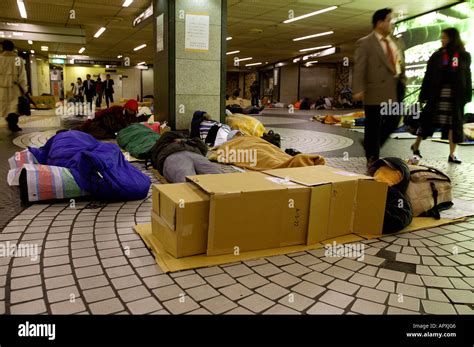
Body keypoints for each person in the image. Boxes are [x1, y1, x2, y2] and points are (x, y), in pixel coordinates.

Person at [353, 8, 406, 170]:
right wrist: (358, 88)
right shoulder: (366, 43)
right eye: (389, 20)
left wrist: (403, 79)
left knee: (394, 120)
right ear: (379, 23)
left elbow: (400, 63)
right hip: (375, 89)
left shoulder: (395, 42)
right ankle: (372, 158)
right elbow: (360, 67)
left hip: (395, 87)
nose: (392, 23)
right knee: (373, 125)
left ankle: (369, 144)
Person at [410, 28, 472, 164]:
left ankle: (452, 154)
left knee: (453, 124)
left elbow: (466, 76)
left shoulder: (462, 55)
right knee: (427, 121)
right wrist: (423, 94)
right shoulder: (437, 55)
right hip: (437, 94)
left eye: (445, 37)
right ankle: (416, 145)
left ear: (452, 38)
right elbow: (428, 75)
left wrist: (467, 94)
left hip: (455, 95)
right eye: (442, 37)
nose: (442, 40)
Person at [0, 40, 28, 132]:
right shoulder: (17, 59)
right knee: (14, 107)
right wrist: (24, 89)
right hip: (14, 87)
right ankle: (13, 124)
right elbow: (21, 75)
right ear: (13, 48)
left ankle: (10, 121)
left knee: (5, 107)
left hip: (2, 88)